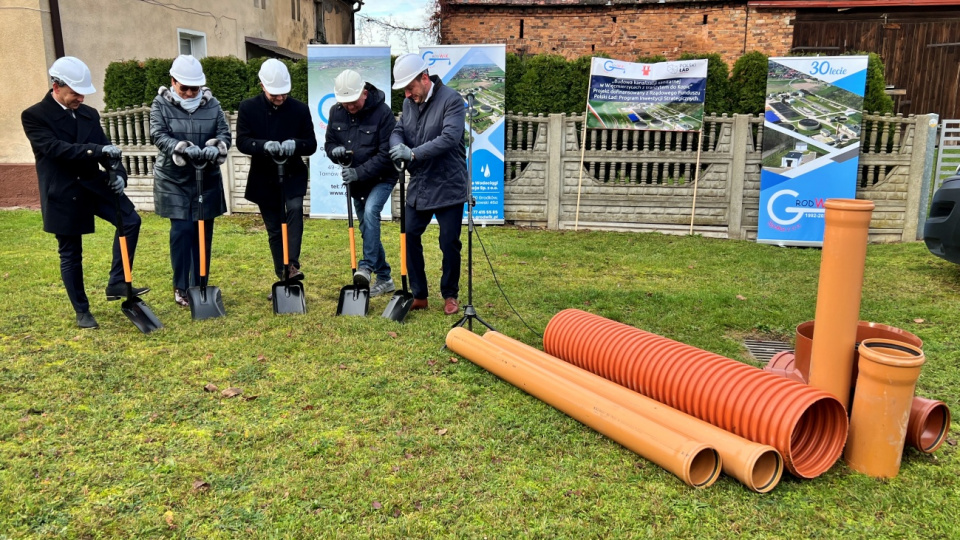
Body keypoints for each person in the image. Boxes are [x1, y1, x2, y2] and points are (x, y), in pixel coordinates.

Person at [21, 56, 149, 329]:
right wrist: (98, 151)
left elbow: (106, 148)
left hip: (94, 184)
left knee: (130, 220)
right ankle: (82, 310)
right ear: (56, 86)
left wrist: (119, 174)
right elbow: (56, 149)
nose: (80, 97)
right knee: (71, 252)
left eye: (83, 93)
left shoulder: (89, 114)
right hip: (63, 190)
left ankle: (117, 281)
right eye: (75, 92)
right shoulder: (34, 116)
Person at [389, 53, 469, 315]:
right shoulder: (411, 103)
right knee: (410, 234)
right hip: (421, 186)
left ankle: (450, 294)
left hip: (448, 185)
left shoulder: (452, 101)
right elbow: (399, 130)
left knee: (449, 243)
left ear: (424, 78)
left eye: (410, 88)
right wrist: (397, 146)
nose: (408, 94)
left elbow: (449, 138)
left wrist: (412, 154)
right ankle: (419, 294)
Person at [149, 55, 230, 307]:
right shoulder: (160, 104)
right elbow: (157, 135)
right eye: (183, 87)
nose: (188, 93)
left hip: (205, 177)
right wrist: (181, 147)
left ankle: (200, 283)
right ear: (173, 81)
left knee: (203, 231)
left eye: (194, 88)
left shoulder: (212, 104)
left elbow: (224, 133)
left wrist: (216, 147)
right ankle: (181, 286)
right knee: (182, 230)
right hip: (173, 178)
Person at [236, 59, 317, 293]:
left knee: (294, 211)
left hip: (292, 173)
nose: (280, 98)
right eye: (275, 95)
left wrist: (296, 144)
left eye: (284, 94)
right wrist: (263, 145)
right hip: (264, 177)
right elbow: (242, 141)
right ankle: (282, 275)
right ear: (262, 85)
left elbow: (310, 144)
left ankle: (291, 264)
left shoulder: (300, 109)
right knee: (274, 229)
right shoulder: (248, 108)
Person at [324, 69, 398, 297]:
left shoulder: (383, 113)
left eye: (353, 101)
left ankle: (365, 267)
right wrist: (334, 152)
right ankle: (385, 278)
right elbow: (329, 143)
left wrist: (358, 172)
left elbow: (386, 154)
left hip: (382, 176)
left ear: (364, 93)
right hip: (355, 180)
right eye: (344, 102)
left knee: (371, 214)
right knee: (368, 229)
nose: (349, 107)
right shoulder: (336, 112)